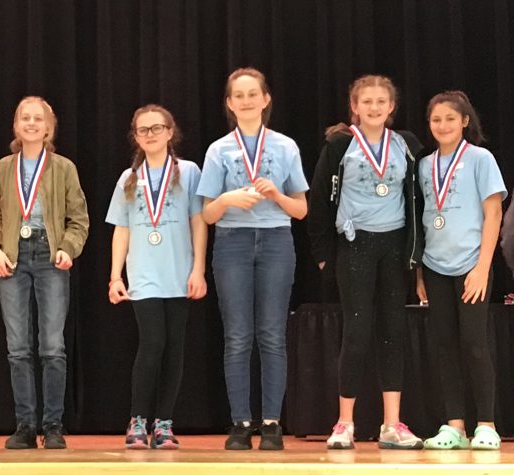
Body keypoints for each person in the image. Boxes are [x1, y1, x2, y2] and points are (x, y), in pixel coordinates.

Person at [308, 75, 424, 450]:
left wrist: (415, 255)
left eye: (381, 101)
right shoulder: (340, 145)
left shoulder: (407, 145)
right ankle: (345, 423)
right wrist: (325, 256)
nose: (374, 108)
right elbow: (318, 204)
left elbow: (421, 198)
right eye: (366, 102)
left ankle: (392, 424)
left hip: (394, 247)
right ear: (354, 107)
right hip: (354, 247)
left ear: (392, 107)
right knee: (356, 333)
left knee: (393, 330)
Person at [197, 67, 308, 451]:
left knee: (272, 335)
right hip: (232, 243)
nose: (245, 100)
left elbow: (301, 210)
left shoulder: (285, 146)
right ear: (229, 104)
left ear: (266, 99)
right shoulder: (218, 150)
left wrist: (276, 195)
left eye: (252, 94)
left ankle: (272, 423)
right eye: (238, 95)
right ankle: (241, 423)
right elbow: (208, 214)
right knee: (238, 336)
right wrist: (228, 199)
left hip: (277, 240)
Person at [0, 96, 89, 450]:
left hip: (49, 254)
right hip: (13, 256)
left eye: (38, 119)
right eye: (24, 118)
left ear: (48, 127)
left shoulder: (63, 168)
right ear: (16, 126)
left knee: (52, 347)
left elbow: (79, 218)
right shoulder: (3, 168)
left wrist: (68, 247)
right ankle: (26, 426)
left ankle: (54, 425)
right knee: (18, 348)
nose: (31, 124)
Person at [106, 104, 206, 450]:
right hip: (144, 274)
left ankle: (163, 423)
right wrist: (115, 276)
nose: (150, 134)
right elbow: (121, 229)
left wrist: (198, 269)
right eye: (143, 130)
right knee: (152, 343)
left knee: (174, 347)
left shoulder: (189, 172)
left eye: (156, 128)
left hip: (179, 273)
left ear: (169, 131)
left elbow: (199, 222)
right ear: (135, 136)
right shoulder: (129, 178)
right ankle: (137, 421)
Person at [417, 91, 504, 450]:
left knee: (474, 344)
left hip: (471, 266)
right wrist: (420, 274)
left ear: (465, 121)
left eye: (450, 119)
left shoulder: (481, 159)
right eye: (436, 120)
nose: (443, 125)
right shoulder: (424, 165)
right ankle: (455, 426)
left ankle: (486, 423)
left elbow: (493, 213)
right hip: (435, 266)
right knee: (444, 345)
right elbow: (422, 223)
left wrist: (483, 267)